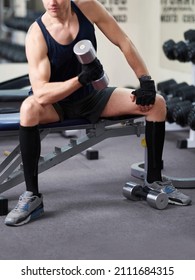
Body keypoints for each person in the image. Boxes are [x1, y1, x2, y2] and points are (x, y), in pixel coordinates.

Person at [5, 0, 191, 226]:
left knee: (158, 103)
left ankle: (154, 181)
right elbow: (42, 94)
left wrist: (145, 80)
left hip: (93, 97)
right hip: (57, 103)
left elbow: (123, 40)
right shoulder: (36, 34)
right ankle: (32, 196)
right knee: (29, 108)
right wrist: (81, 79)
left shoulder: (86, 7)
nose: (52, 2)